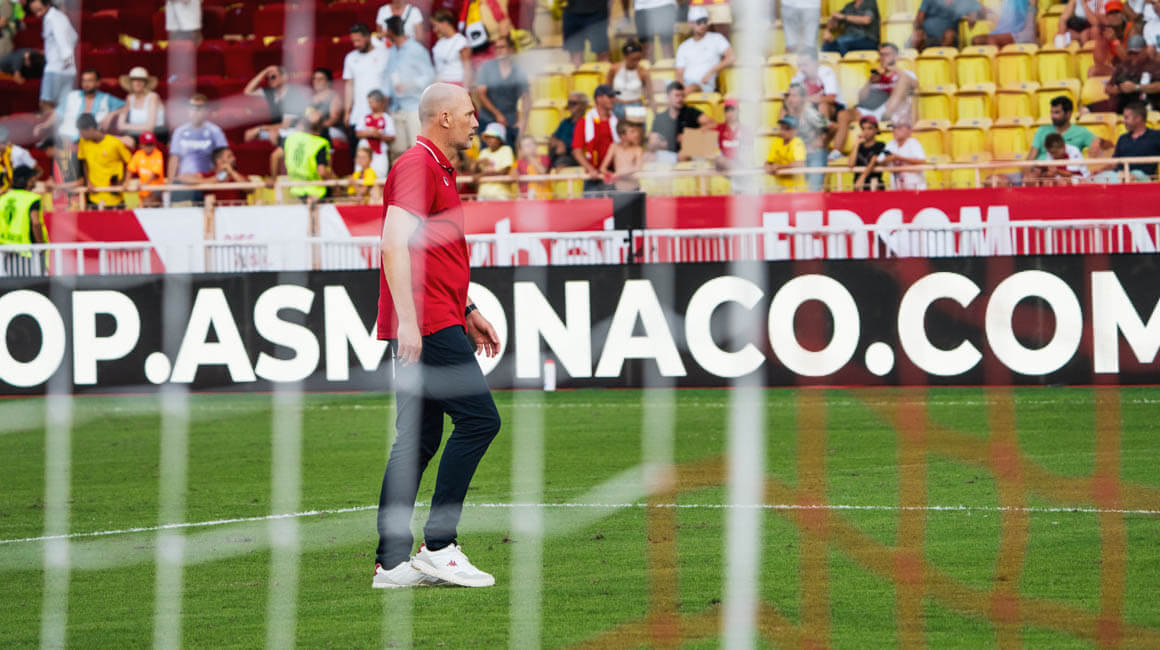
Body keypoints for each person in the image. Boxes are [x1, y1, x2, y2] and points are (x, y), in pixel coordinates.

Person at [373, 82, 502, 590]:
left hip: (439, 316)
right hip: (426, 323)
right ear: (444, 117)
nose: (476, 121)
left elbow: (433, 255)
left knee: (418, 440)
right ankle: (440, 546)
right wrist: (409, 321)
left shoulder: (438, 168)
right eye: (469, 113)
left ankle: (391, 565)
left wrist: (467, 308)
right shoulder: (418, 165)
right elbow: (392, 244)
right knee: (479, 420)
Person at [383, 15, 436, 162]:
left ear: (391, 31)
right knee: (398, 152)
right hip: (396, 107)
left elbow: (429, 76)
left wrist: (410, 85)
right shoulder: (392, 51)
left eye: (387, 30)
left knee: (418, 149)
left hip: (414, 107)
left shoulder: (416, 49)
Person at [34, 69, 123, 144]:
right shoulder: (72, 96)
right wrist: (45, 125)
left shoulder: (107, 99)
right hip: (67, 137)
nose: (86, 84)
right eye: (84, 81)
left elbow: (127, 105)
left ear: (98, 83)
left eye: (90, 80)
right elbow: (58, 114)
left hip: (93, 140)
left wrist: (112, 114)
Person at [168, 94, 229, 203]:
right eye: (192, 107)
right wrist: (170, 187)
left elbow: (226, 160)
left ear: (206, 111)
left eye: (199, 108)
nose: (196, 111)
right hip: (184, 182)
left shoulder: (215, 131)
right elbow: (174, 160)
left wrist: (218, 179)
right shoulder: (179, 131)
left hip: (208, 183)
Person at [1088, 35, 1160, 112]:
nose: (1133, 56)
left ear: (1145, 50)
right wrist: (1118, 89)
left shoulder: (1154, 66)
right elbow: (1107, 88)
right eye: (1131, 53)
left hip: (1143, 106)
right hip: (1121, 104)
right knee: (1087, 109)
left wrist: (1136, 87)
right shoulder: (1123, 66)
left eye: (1136, 53)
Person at [28, 0, 76, 112]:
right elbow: (74, 36)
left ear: (48, 5)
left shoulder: (52, 18)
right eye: (34, 12)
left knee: (45, 103)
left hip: (55, 68)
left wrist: (65, 57)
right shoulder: (61, 16)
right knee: (63, 106)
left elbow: (61, 39)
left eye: (39, 10)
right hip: (69, 70)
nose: (37, 14)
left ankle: (51, 124)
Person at [781, 83, 831, 191]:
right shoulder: (788, 113)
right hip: (800, 156)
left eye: (794, 95)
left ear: (803, 98)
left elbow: (833, 127)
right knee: (800, 192)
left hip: (815, 155)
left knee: (814, 191)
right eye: (789, 95)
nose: (790, 99)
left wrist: (824, 141)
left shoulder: (811, 113)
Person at [343, 24, 391, 137]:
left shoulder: (384, 54)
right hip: (358, 116)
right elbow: (349, 86)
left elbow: (390, 83)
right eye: (353, 41)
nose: (356, 44)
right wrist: (347, 112)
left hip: (381, 115)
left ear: (368, 37)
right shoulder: (350, 58)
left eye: (358, 40)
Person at [75, 113, 131, 209]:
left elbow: (130, 162)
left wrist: (124, 181)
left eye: (82, 132)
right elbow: (84, 162)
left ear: (91, 129)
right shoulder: (83, 143)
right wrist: (88, 182)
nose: (81, 135)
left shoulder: (114, 143)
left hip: (114, 198)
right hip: (94, 196)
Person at [1094, 100, 1160, 181]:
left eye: (1126, 118)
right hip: (1119, 176)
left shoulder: (1156, 136)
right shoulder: (1122, 138)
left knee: (1136, 174)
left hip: (1142, 178)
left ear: (1138, 118)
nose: (1123, 121)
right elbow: (1114, 163)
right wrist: (1100, 171)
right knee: (1095, 178)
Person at [0, 166, 48, 276]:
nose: (35, 179)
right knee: (35, 284)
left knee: (14, 283)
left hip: (6, 251)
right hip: (28, 252)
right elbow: (36, 223)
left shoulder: (3, 198)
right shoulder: (32, 198)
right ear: (27, 180)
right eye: (32, 177)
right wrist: (41, 246)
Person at [851, 43, 916, 123]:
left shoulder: (905, 73)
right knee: (846, 114)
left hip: (895, 111)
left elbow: (915, 85)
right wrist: (869, 82)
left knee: (903, 81)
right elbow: (861, 99)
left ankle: (886, 116)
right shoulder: (876, 75)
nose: (883, 58)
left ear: (896, 56)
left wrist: (895, 69)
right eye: (881, 55)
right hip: (874, 109)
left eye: (887, 54)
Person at [648, 81, 715, 159]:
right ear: (668, 97)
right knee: (648, 155)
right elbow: (652, 142)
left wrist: (689, 135)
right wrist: (668, 142)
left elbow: (713, 125)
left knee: (683, 154)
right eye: (677, 95)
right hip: (669, 152)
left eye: (682, 96)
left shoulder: (691, 111)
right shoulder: (660, 118)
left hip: (690, 149)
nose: (680, 98)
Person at [243, 65, 309, 143]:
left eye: (273, 77)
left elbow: (285, 125)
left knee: (273, 135)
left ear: (283, 77)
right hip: (277, 130)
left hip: (294, 130)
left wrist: (261, 128)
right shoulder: (270, 92)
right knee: (249, 134)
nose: (270, 80)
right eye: (268, 78)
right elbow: (248, 91)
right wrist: (265, 71)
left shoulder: (294, 94)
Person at [675, 6, 734, 94]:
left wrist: (711, 72)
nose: (703, 24)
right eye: (699, 21)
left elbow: (731, 57)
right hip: (685, 84)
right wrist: (680, 86)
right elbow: (679, 73)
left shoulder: (717, 38)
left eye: (705, 21)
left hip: (703, 85)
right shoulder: (684, 46)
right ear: (691, 24)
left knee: (691, 87)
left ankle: (679, 94)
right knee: (657, 83)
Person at [572, 84, 619, 190]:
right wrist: (591, 170)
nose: (613, 100)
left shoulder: (617, 121)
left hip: (613, 174)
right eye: (610, 96)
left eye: (613, 97)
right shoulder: (584, 122)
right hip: (593, 177)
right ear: (599, 99)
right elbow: (577, 151)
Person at [1028, 96, 1102, 161]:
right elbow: (1030, 158)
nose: (1053, 116)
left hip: (1065, 170)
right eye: (1051, 112)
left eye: (1057, 112)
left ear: (1068, 114)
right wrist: (1029, 172)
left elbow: (1104, 146)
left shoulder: (1081, 132)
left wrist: (1098, 141)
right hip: (1039, 170)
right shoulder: (1041, 130)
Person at [284, 109, 334, 201]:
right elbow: (322, 172)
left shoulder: (291, 139)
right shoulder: (319, 143)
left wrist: (274, 178)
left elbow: (275, 156)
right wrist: (334, 182)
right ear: (320, 127)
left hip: (295, 191)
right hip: (316, 194)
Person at [114, 67, 165, 148]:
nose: (137, 82)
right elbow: (120, 125)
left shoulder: (153, 97)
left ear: (145, 83)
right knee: (112, 140)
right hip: (134, 135)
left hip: (155, 136)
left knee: (126, 140)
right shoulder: (129, 98)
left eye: (141, 80)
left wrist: (127, 126)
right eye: (134, 80)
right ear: (131, 82)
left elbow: (150, 127)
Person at [177, 146, 249, 204]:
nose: (234, 158)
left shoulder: (239, 175)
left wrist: (231, 172)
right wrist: (213, 180)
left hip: (238, 213)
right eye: (229, 156)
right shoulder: (208, 175)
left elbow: (249, 189)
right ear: (219, 161)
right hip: (213, 213)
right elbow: (182, 177)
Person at [911, 0, 983, 49]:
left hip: (949, 37)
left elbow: (980, 10)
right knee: (917, 37)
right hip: (927, 36)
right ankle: (916, 64)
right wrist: (919, 30)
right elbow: (919, 17)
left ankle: (941, 61)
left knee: (949, 35)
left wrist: (973, 12)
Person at [357, 90, 397, 177]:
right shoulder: (365, 117)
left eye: (372, 102)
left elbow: (392, 136)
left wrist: (379, 135)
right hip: (365, 152)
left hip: (379, 152)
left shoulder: (386, 118)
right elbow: (358, 133)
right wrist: (369, 133)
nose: (370, 105)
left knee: (379, 176)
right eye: (369, 102)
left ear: (379, 102)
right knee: (362, 176)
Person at [608, 40, 652, 119]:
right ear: (625, 56)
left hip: (636, 106)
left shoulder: (643, 72)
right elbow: (608, 89)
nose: (636, 62)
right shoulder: (614, 69)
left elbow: (650, 95)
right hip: (617, 106)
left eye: (639, 59)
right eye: (633, 59)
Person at [1026, 132, 1090, 184]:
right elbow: (1051, 171)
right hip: (1061, 178)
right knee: (1039, 179)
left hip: (1080, 178)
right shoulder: (1050, 152)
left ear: (1063, 147)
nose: (1052, 155)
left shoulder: (1073, 150)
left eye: (1055, 152)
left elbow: (1070, 174)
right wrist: (1043, 173)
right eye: (1050, 153)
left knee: (1063, 182)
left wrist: (1056, 171)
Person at [599, 119, 644, 191]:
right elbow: (602, 168)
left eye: (636, 131)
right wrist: (611, 176)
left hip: (634, 189)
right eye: (632, 132)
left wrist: (618, 174)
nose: (636, 134)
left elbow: (638, 169)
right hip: (618, 189)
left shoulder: (638, 149)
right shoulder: (614, 147)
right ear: (622, 135)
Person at [561, 0, 610, 65]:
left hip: (597, 11)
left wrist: (609, 11)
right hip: (571, 10)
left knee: (602, 54)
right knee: (575, 58)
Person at [474, 121, 515, 199]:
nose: (489, 140)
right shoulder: (483, 152)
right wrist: (477, 163)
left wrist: (483, 175)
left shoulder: (506, 150)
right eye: (487, 137)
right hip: (483, 195)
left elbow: (505, 171)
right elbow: (475, 174)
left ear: (500, 139)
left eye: (492, 137)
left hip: (501, 196)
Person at [765, 115, 807, 191]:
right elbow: (769, 161)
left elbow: (800, 164)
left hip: (796, 190)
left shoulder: (798, 142)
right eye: (781, 128)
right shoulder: (777, 142)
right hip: (780, 189)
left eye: (787, 128)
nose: (783, 131)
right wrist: (767, 166)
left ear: (795, 131)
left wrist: (779, 166)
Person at [431, 10, 472, 87]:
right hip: (441, 84)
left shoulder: (461, 41)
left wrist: (466, 88)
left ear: (445, 23)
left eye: (435, 25)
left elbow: (467, 67)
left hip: (457, 85)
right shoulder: (439, 43)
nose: (434, 30)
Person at [883, 120, 927, 189]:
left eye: (898, 128)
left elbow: (921, 161)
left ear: (909, 130)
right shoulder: (891, 144)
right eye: (894, 128)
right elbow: (881, 161)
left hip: (915, 188)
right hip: (896, 188)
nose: (895, 131)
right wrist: (886, 159)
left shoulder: (913, 143)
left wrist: (898, 158)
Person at [972, 0, 1038, 46]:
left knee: (986, 40)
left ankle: (998, 59)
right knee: (976, 40)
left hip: (1021, 34)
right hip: (1011, 32)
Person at [125, 131, 165, 207]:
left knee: (147, 203)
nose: (150, 147)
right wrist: (126, 182)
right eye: (147, 145)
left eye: (152, 144)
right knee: (139, 206)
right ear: (141, 145)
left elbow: (154, 173)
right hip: (143, 190)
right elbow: (130, 169)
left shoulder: (158, 153)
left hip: (156, 189)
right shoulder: (138, 154)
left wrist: (144, 184)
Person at [549, 92, 588, 168]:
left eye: (574, 103)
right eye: (569, 103)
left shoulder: (587, 123)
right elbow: (552, 138)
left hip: (575, 156)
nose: (570, 106)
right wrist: (559, 143)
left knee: (561, 163)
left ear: (583, 106)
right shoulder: (565, 122)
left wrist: (564, 147)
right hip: (560, 156)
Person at [1, 125, 41, 194]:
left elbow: (39, 171)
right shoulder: (2, 155)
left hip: (22, 191)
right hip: (6, 191)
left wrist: (28, 185)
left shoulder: (19, 153)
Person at [310, 68, 346, 143]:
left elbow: (334, 119)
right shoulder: (312, 97)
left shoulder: (334, 97)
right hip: (312, 129)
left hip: (330, 131)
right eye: (315, 78)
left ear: (328, 82)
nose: (317, 81)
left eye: (321, 79)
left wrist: (317, 128)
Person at [849, 115, 886, 190]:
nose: (866, 131)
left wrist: (862, 177)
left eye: (870, 128)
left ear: (876, 130)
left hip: (875, 187)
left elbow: (874, 161)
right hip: (859, 187)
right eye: (863, 129)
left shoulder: (880, 145)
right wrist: (856, 144)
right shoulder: (858, 146)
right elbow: (851, 164)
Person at [715, 98, 752, 167]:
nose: (730, 114)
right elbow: (715, 151)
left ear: (738, 111)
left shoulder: (746, 130)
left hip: (740, 165)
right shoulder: (718, 129)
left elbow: (747, 152)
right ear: (724, 112)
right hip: (723, 166)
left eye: (733, 110)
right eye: (727, 111)